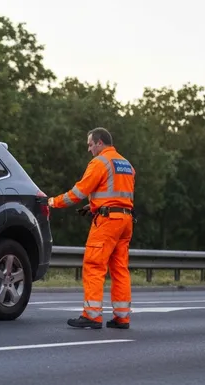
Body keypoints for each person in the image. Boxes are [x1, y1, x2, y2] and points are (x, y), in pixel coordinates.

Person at [47, 127, 135, 329]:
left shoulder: (100, 162)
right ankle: (122, 318)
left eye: (90, 144)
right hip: (125, 221)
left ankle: (92, 316)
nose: (89, 149)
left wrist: (53, 202)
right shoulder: (126, 164)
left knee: (94, 265)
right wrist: (93, 205)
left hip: (107, 222)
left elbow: (78, 192)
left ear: (99, 143)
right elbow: (118, 194)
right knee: (120, 269)